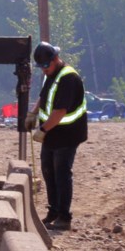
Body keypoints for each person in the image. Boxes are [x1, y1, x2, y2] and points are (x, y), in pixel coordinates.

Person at [25, 41, 87, 231]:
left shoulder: (68, 78)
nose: (44, 70)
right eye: (41, 67)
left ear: (55, 59)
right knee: (48, 171)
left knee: (61, 173)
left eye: (46, 65)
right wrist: (33, 113)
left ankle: (64, 216)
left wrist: (42, 131)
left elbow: (60, 111)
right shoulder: (50, 75)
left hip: (67, 135)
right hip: (52, 134)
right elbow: (44, 97)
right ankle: (53, 211)